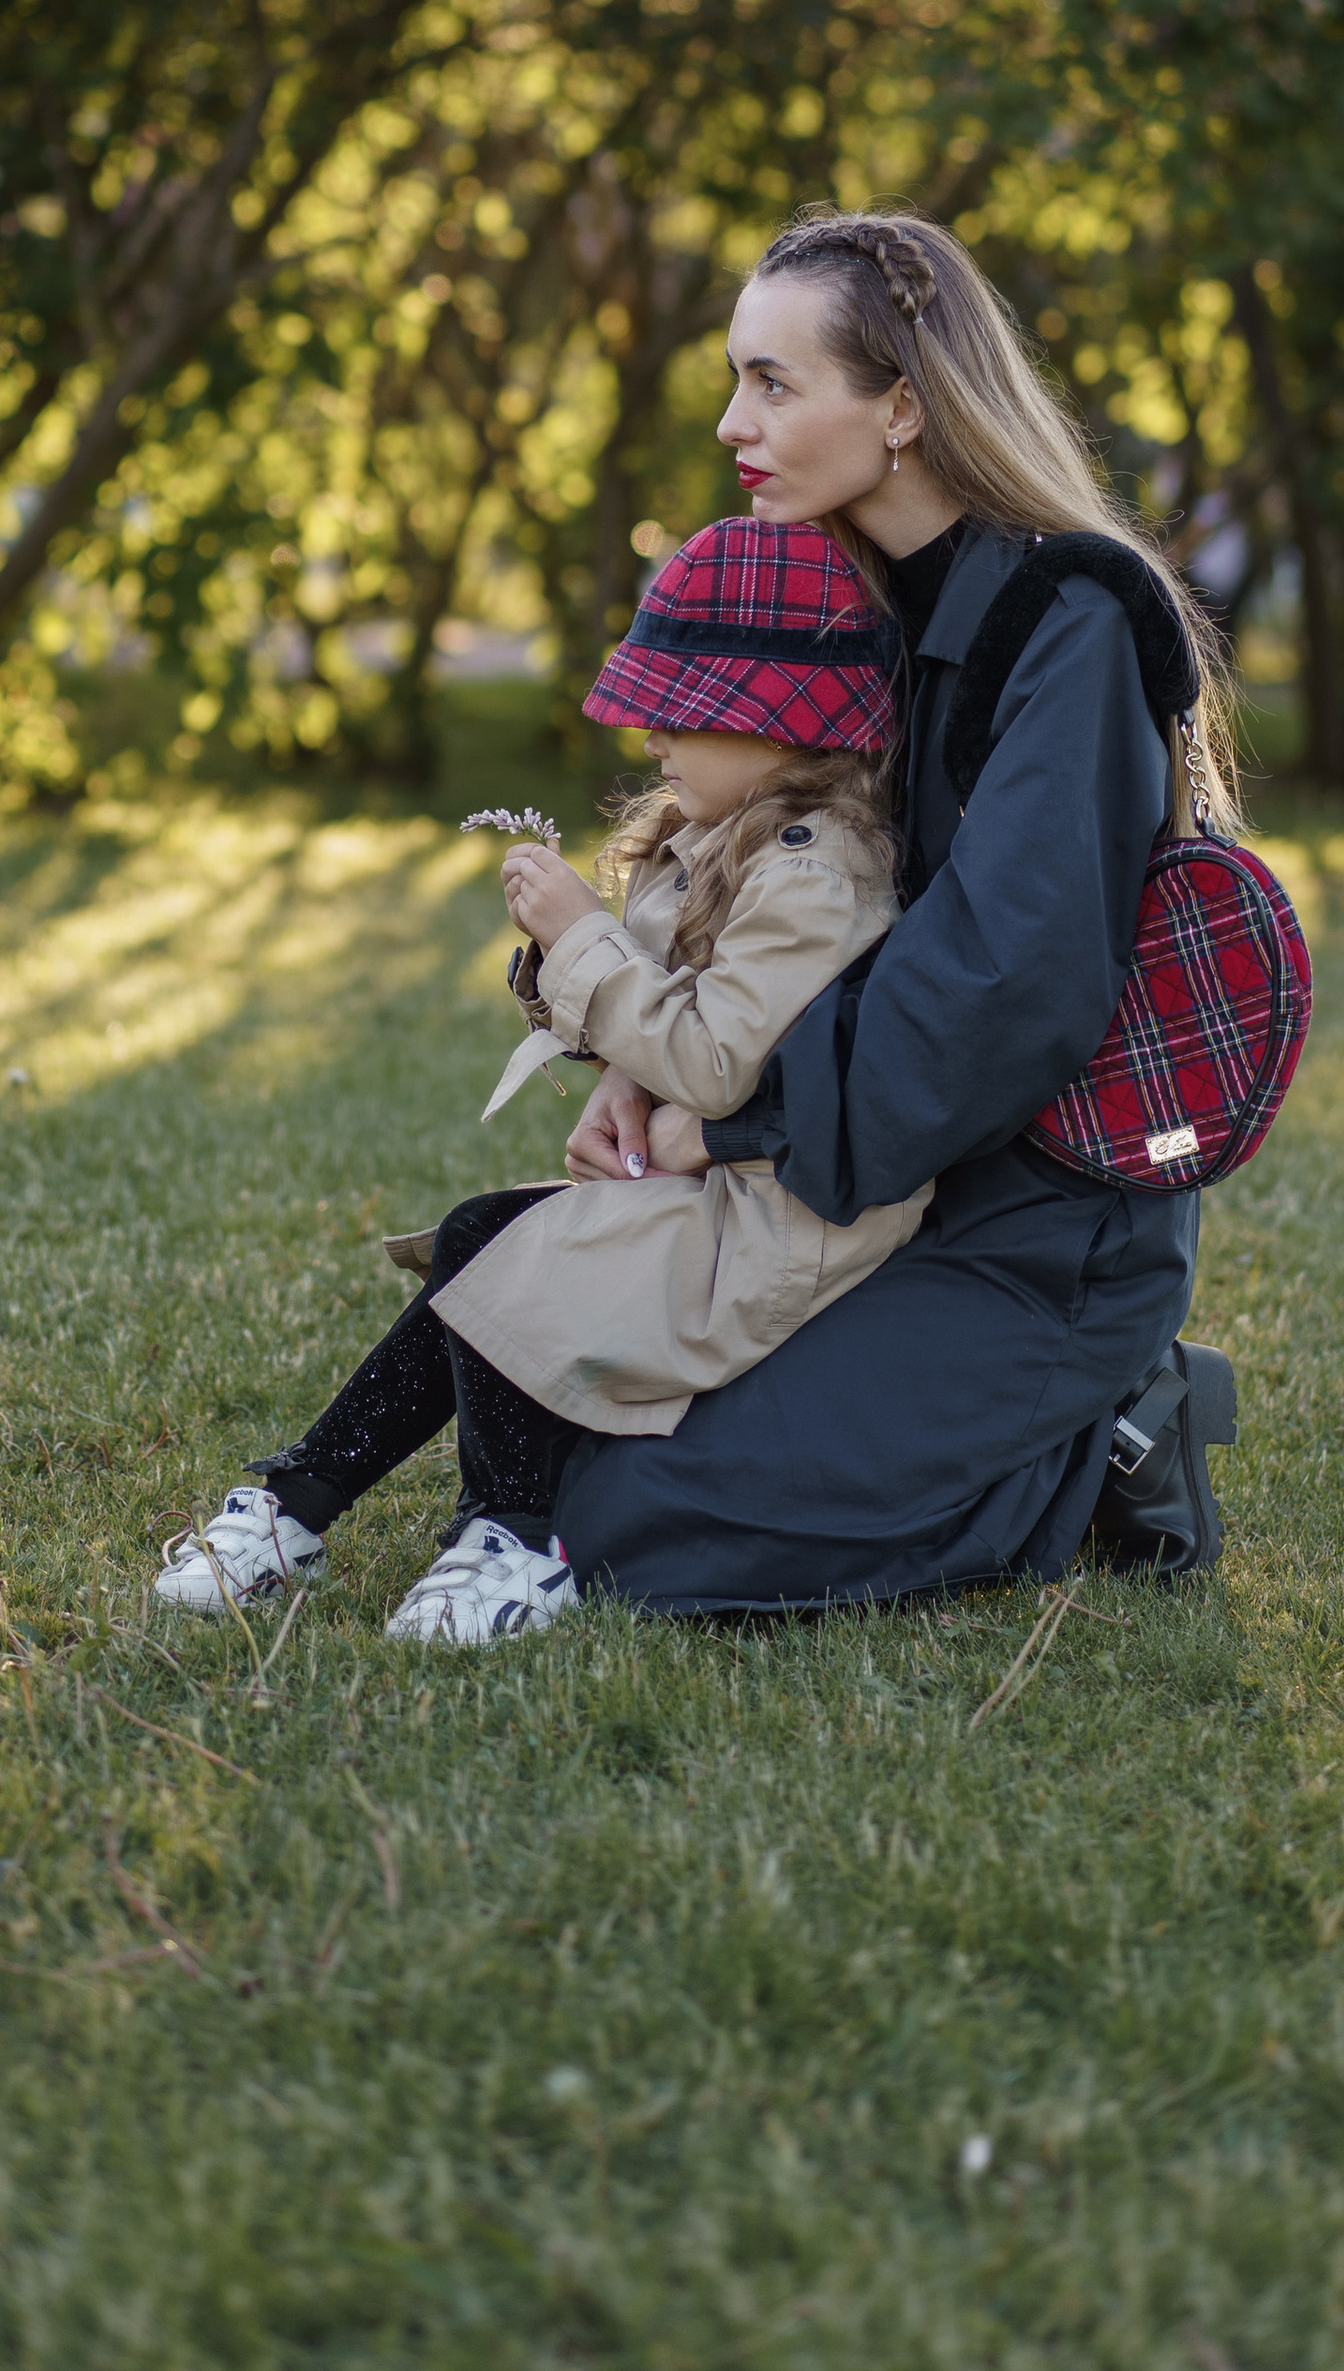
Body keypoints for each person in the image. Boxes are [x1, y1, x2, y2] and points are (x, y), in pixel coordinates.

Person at [550, 206, 1242, 1615]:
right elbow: (751, 871)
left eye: (774, 382)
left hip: (1035, 1230)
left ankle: (1106, 1427)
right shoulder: (836, 593)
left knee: (634, 1523)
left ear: (907, 407)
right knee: (554, 1414)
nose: (736, 422)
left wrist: (733, 1120)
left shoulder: (1071, 623)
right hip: (861, 1196)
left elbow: (1005, 988)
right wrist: (643, 1059)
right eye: (735, 378)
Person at [150, 520, 921, 1646]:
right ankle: (294, 1504)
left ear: (779, 721)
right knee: (484, 1238)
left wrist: (582, 944)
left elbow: (713, 1059)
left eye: (682, 708)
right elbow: (660, 1024)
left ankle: (511, 1539)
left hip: (783, 1225)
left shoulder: (814, 873)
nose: (651, 731)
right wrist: (568, 980)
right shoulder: (718, 839)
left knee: (504, 1255)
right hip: (718, 1192)